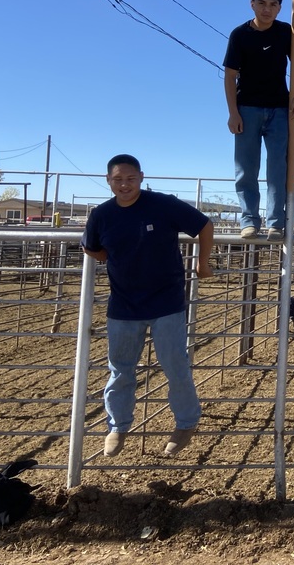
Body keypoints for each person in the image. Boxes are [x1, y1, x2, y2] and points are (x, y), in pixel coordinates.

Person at [81, 154, 214, 458]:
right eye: (118, 179)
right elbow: (92, 248)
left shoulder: (163, 204)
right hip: (124, 305)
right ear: (108, 181)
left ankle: (186, 422)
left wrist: (202, 263)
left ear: (141, 177)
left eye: (130, 178)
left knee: (174, 364)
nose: (124, 184)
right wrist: (118, 261)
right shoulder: (101, 215)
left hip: (166, 301)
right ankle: (118, 426)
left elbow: (204, 226)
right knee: (121, 370)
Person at [223, 0, 294, 241]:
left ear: (280, 8)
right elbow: (229, 76)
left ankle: (275, 223)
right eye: (262, 3)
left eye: (273, 4)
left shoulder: (286, 33)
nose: (267, 9)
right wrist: (233, 112)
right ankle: (249, 221)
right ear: (252, 4)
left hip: (279, 109)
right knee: (246, 168)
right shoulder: (239, 35)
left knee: (277, 168)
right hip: (246, 109)